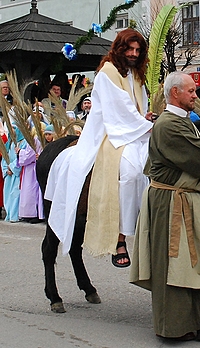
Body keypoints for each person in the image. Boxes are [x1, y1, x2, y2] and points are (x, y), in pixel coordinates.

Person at [129, 71, 200, 341]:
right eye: (190, 91)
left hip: (188, 198)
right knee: (175, 265)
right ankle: (174, 327)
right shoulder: (168, 125)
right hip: (172, 204)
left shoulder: (182, 122)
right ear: (174, 93)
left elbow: (191, 163)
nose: (194, 95)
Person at [44, 28, 154, 268]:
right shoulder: (107, 72)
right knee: (131, 172)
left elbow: (135, 106)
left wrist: (146, 118)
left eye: (138, 50)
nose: (134, 54)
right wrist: (143, 124)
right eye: (130, 49)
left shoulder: (136, 73)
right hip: (110, 134)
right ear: (120, 48)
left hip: (135, 130)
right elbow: (118, 111)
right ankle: (120, 238)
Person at [18, 132, 44, 224]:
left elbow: (29, 155)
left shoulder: (35, 140)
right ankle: (28, 214)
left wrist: (20, 152)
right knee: (29, 192)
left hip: (32, 168)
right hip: (29, 168)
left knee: (33, 191)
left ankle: (35, 214)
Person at [1, 124, 24, 223]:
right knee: (7, 194)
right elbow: (4, 158)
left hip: (16, 173)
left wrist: (13, 167)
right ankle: (9, 214)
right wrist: (6, 169)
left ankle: (15, 215)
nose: (12, 130)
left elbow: (21, 157)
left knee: (15, 194)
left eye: (14, 128)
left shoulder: (22, 143)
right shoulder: (8, 143)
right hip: (9, 174)